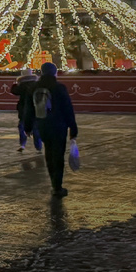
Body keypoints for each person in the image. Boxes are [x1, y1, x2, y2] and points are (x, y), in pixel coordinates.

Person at [33, 62, 78, 198]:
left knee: (49, 152)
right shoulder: (59, 87)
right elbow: (67, 108)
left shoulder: (35, 87)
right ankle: (57, 186)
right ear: (54, 73)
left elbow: (29, 107)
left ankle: (54, 182)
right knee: (58, 155)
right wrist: (73, 127)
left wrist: (29, 125)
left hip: (43, 124)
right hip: (59, 125)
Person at [10, 69, 42, 153]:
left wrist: (15, 84)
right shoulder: (36, 85)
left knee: (22, 126)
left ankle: (22, 144)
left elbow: (14, 91)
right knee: (36, 128)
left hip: (23, 108)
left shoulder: (21, 86)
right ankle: (38, 147)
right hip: (35, 108)